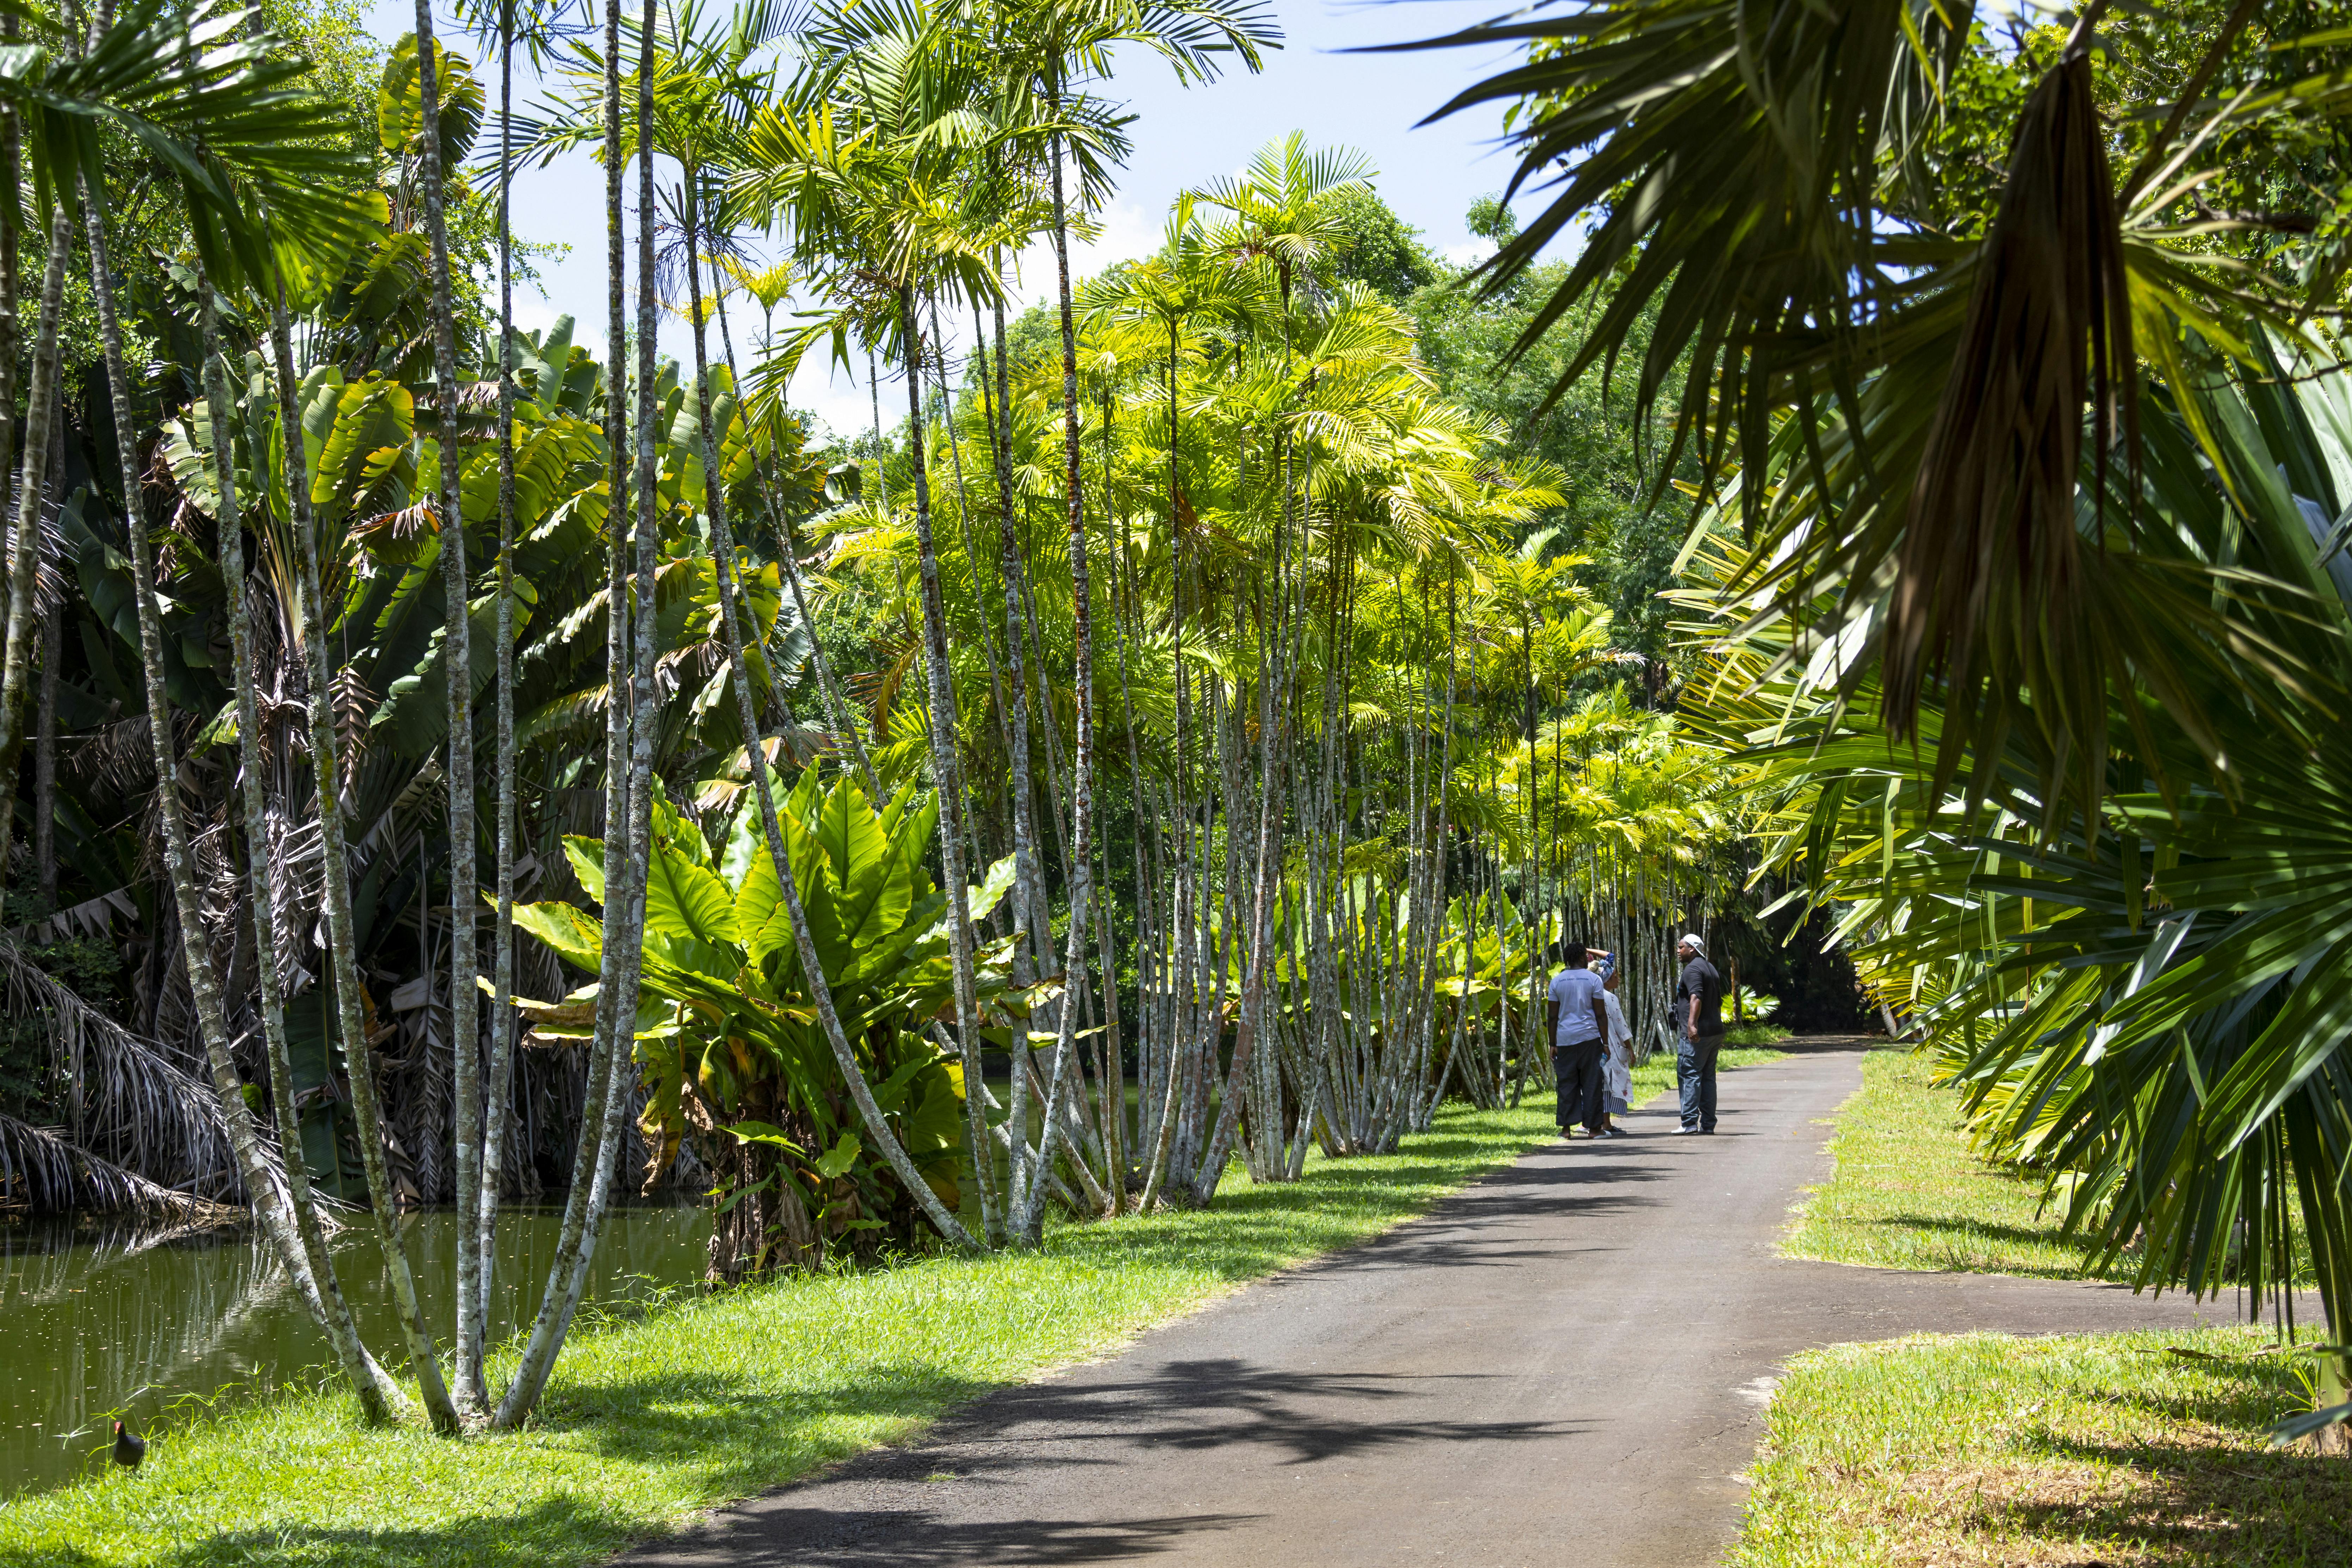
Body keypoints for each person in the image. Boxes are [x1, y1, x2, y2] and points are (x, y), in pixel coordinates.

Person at [1547, 941, 1612, 1138]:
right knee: (1592, 1083)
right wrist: (1606, 1043)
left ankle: (1566, 1131)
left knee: (1567, 1083)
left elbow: (1552, 1017)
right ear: (1583, 957)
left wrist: (1553, 1043)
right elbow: (1601, 1015)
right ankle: (1594, 1130)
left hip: (1565, 1040)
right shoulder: (1593, 980)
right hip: (1589, 1039)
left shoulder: (1557, 982)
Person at [1673, 933, 1725, 1134]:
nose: (1678, 951)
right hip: (1714, 1031)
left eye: (1681, 948)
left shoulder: (1692, 969)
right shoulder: (1710, 968)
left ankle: (1688, 1124)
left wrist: (1692, 1025)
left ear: (1692, 949)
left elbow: (1697, 997)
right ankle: (1708, 1125)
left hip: (1698, 1034)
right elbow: (1718, 1001)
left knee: (1690, 1075)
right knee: (1708, 1078)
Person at [1594, 959, 1634, 1133]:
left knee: (1596, 1084)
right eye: (1615, 976)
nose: (1618, 979)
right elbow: (1621, 1026)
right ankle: (1606, 1124)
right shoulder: (1609, 997)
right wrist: (1630, 1048)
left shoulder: (1590, 995)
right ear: (1606, 979)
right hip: (1609, 1046)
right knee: (1608, 1084)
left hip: (1591, 1045)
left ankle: (1592, 1123)